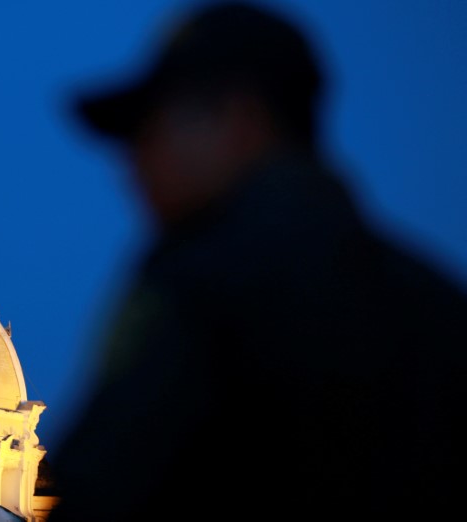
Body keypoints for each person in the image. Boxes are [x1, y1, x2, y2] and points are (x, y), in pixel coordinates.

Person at [47, 1, 467, 519]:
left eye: (150, 131)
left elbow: (104, 485)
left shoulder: (201, 285)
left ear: (240, 120)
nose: (133, 166)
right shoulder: (437, 303)